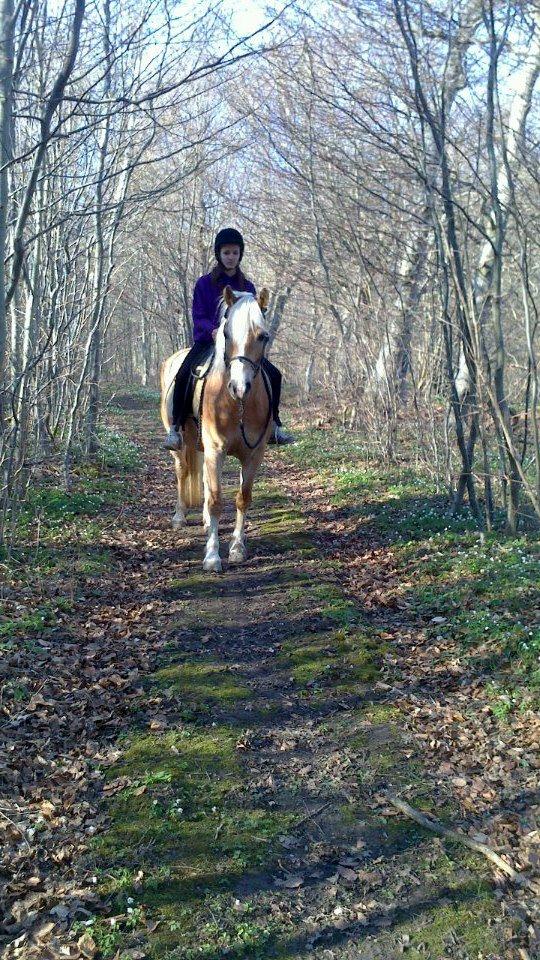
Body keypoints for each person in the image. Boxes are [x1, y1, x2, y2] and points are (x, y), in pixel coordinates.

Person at [164, 227, 294, 450]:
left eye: (235, 252)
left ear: (240, 254)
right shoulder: (204, 284)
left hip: (239, 346)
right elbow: (199, 315)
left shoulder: (249, 287)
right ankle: (176, 427)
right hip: (208, 342)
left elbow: (255, 319)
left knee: (274, 374)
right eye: (226, 253)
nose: (231, 257)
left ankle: (274, 425)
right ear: (219, 254)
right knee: (184, 372)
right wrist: (213, 331)